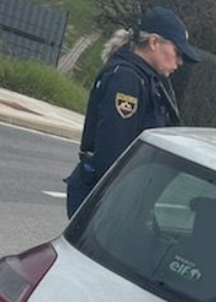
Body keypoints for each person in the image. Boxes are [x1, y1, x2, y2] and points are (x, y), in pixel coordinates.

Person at [64, 7, 199, 218]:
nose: (179, 61)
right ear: (154, 42)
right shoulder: (126, 80)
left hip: (120, 196)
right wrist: (124, 210)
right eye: (177, 52)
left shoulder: (147, 80)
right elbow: (113, 151)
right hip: (106, 198)